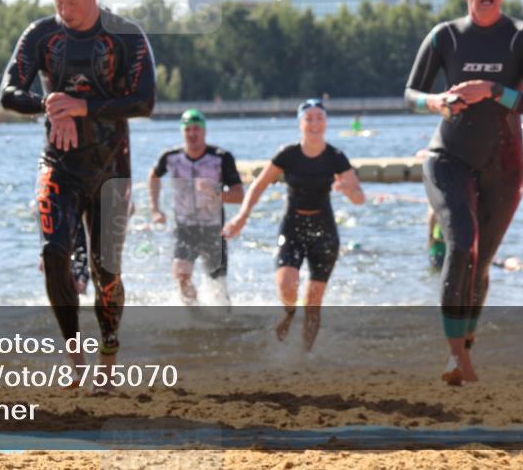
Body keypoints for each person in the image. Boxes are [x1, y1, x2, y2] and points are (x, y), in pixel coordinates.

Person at [0, 0, 156, 388]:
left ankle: (109, 348)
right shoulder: (42, 36)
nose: (63, 9)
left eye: (71, 1)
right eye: (57, 1)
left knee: (108, 271)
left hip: (111, 169)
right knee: (53, 254)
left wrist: (82, 107)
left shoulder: (124, 36)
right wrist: (49, 106)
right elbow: (8, 91)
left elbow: (144, 101)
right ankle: (75, 357)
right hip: (59, 166)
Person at [404, 0, 523, 386]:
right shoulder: (445, 36)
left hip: (504, 167)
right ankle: (453, 357)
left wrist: (492, 90)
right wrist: (436, 101)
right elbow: (410, 93)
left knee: (481, 262)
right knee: (462, 244)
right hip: (449, 157)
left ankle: (464, 348)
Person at [223, 99, 365, 349]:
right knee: (287, 284)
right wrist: (241, 217)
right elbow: (258, 186)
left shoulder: (336, 157)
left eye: (319, 117)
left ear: (326, 122)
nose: (314, 123)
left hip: (324, 231)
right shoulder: (287, 155)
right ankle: (288, 313)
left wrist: (347, 191)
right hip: (293, 228)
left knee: (313, 300)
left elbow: (359, 198)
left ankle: (304, 354)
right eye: (308, 118)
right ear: (300, 123)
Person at [149, 109, 244, 305]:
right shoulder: (170, 157)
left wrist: (216, 193)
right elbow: (154, 176)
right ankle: (194, 316)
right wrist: (155, 209)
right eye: (188, 130)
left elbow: (239, 195)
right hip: (185, 228)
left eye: (196, 129)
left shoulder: (221, 158)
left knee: (217, 284)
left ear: (204, 131)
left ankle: (224, 322)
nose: (192, 134)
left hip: (213, 230)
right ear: (182, 132)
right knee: (181, 275)